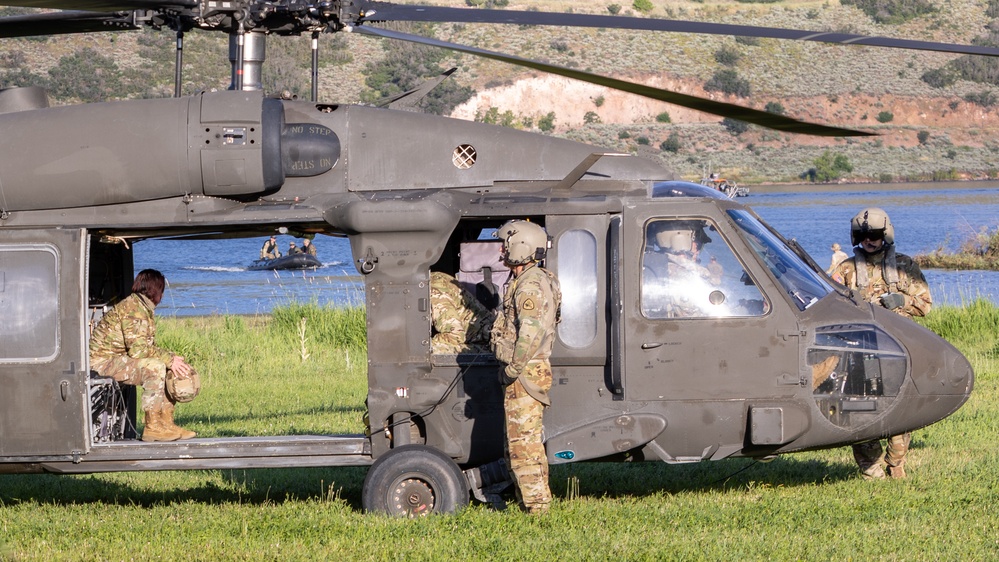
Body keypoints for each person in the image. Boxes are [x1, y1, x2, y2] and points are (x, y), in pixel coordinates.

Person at [831, 208, 932, 480]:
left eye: (875, 235)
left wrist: (903, 302)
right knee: (859, 411)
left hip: (896, 349)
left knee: (901, 410)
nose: (869, 240)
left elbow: (925, 306)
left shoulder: (904, 266)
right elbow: (828, 306)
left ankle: (896, 463)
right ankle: (870, 469)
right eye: (864, 235)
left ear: (885, 234)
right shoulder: (846, 269)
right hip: (858, 350)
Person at [490, 220, 561, 514]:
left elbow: (529, 335)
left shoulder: (529, 286)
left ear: (520, 248)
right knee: (524, 442)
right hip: (530, 371)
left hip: (525, 373)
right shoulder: (535, 278)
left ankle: (537, 508)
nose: (502, 250)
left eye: (506, 244)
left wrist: (511, 369)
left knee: (523, 446)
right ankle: (533, 500)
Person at [89, 269, 198, 442]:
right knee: (155, 367)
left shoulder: (140, 306)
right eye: (162, 291)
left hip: (115, 359)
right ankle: (152, 426)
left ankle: (166, 423)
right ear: (157, 291)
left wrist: (170, 359)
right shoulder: (134, 310)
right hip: (102, 362)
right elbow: (138, 351)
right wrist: (169, 359)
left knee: (164, 366)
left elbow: (144, 348)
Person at [429, 271, 494, 354]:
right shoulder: (435, 277)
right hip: (476, 336)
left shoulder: (435, 292)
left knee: (424, 350)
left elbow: (455, 335)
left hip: (484, 344)